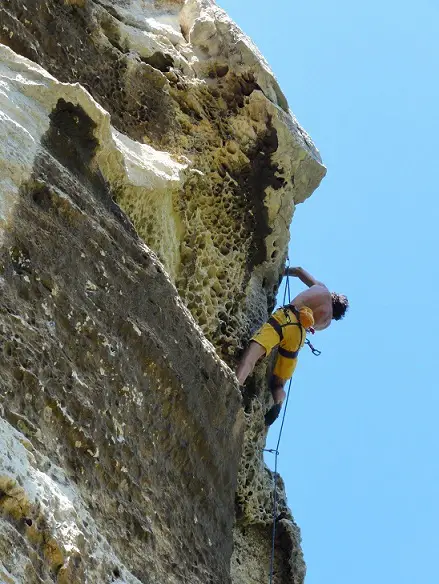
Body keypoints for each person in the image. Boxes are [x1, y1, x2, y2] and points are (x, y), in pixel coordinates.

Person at [236, 266, 349, 425]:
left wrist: (282, 271)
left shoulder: (322, 289)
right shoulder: (327, 321)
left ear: (333, 296)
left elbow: (299, 271)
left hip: (287, 318)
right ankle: (278, 402)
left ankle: (236, 384)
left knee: (252, 355)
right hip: (298, 336)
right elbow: (311, 327)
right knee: (279, 383)